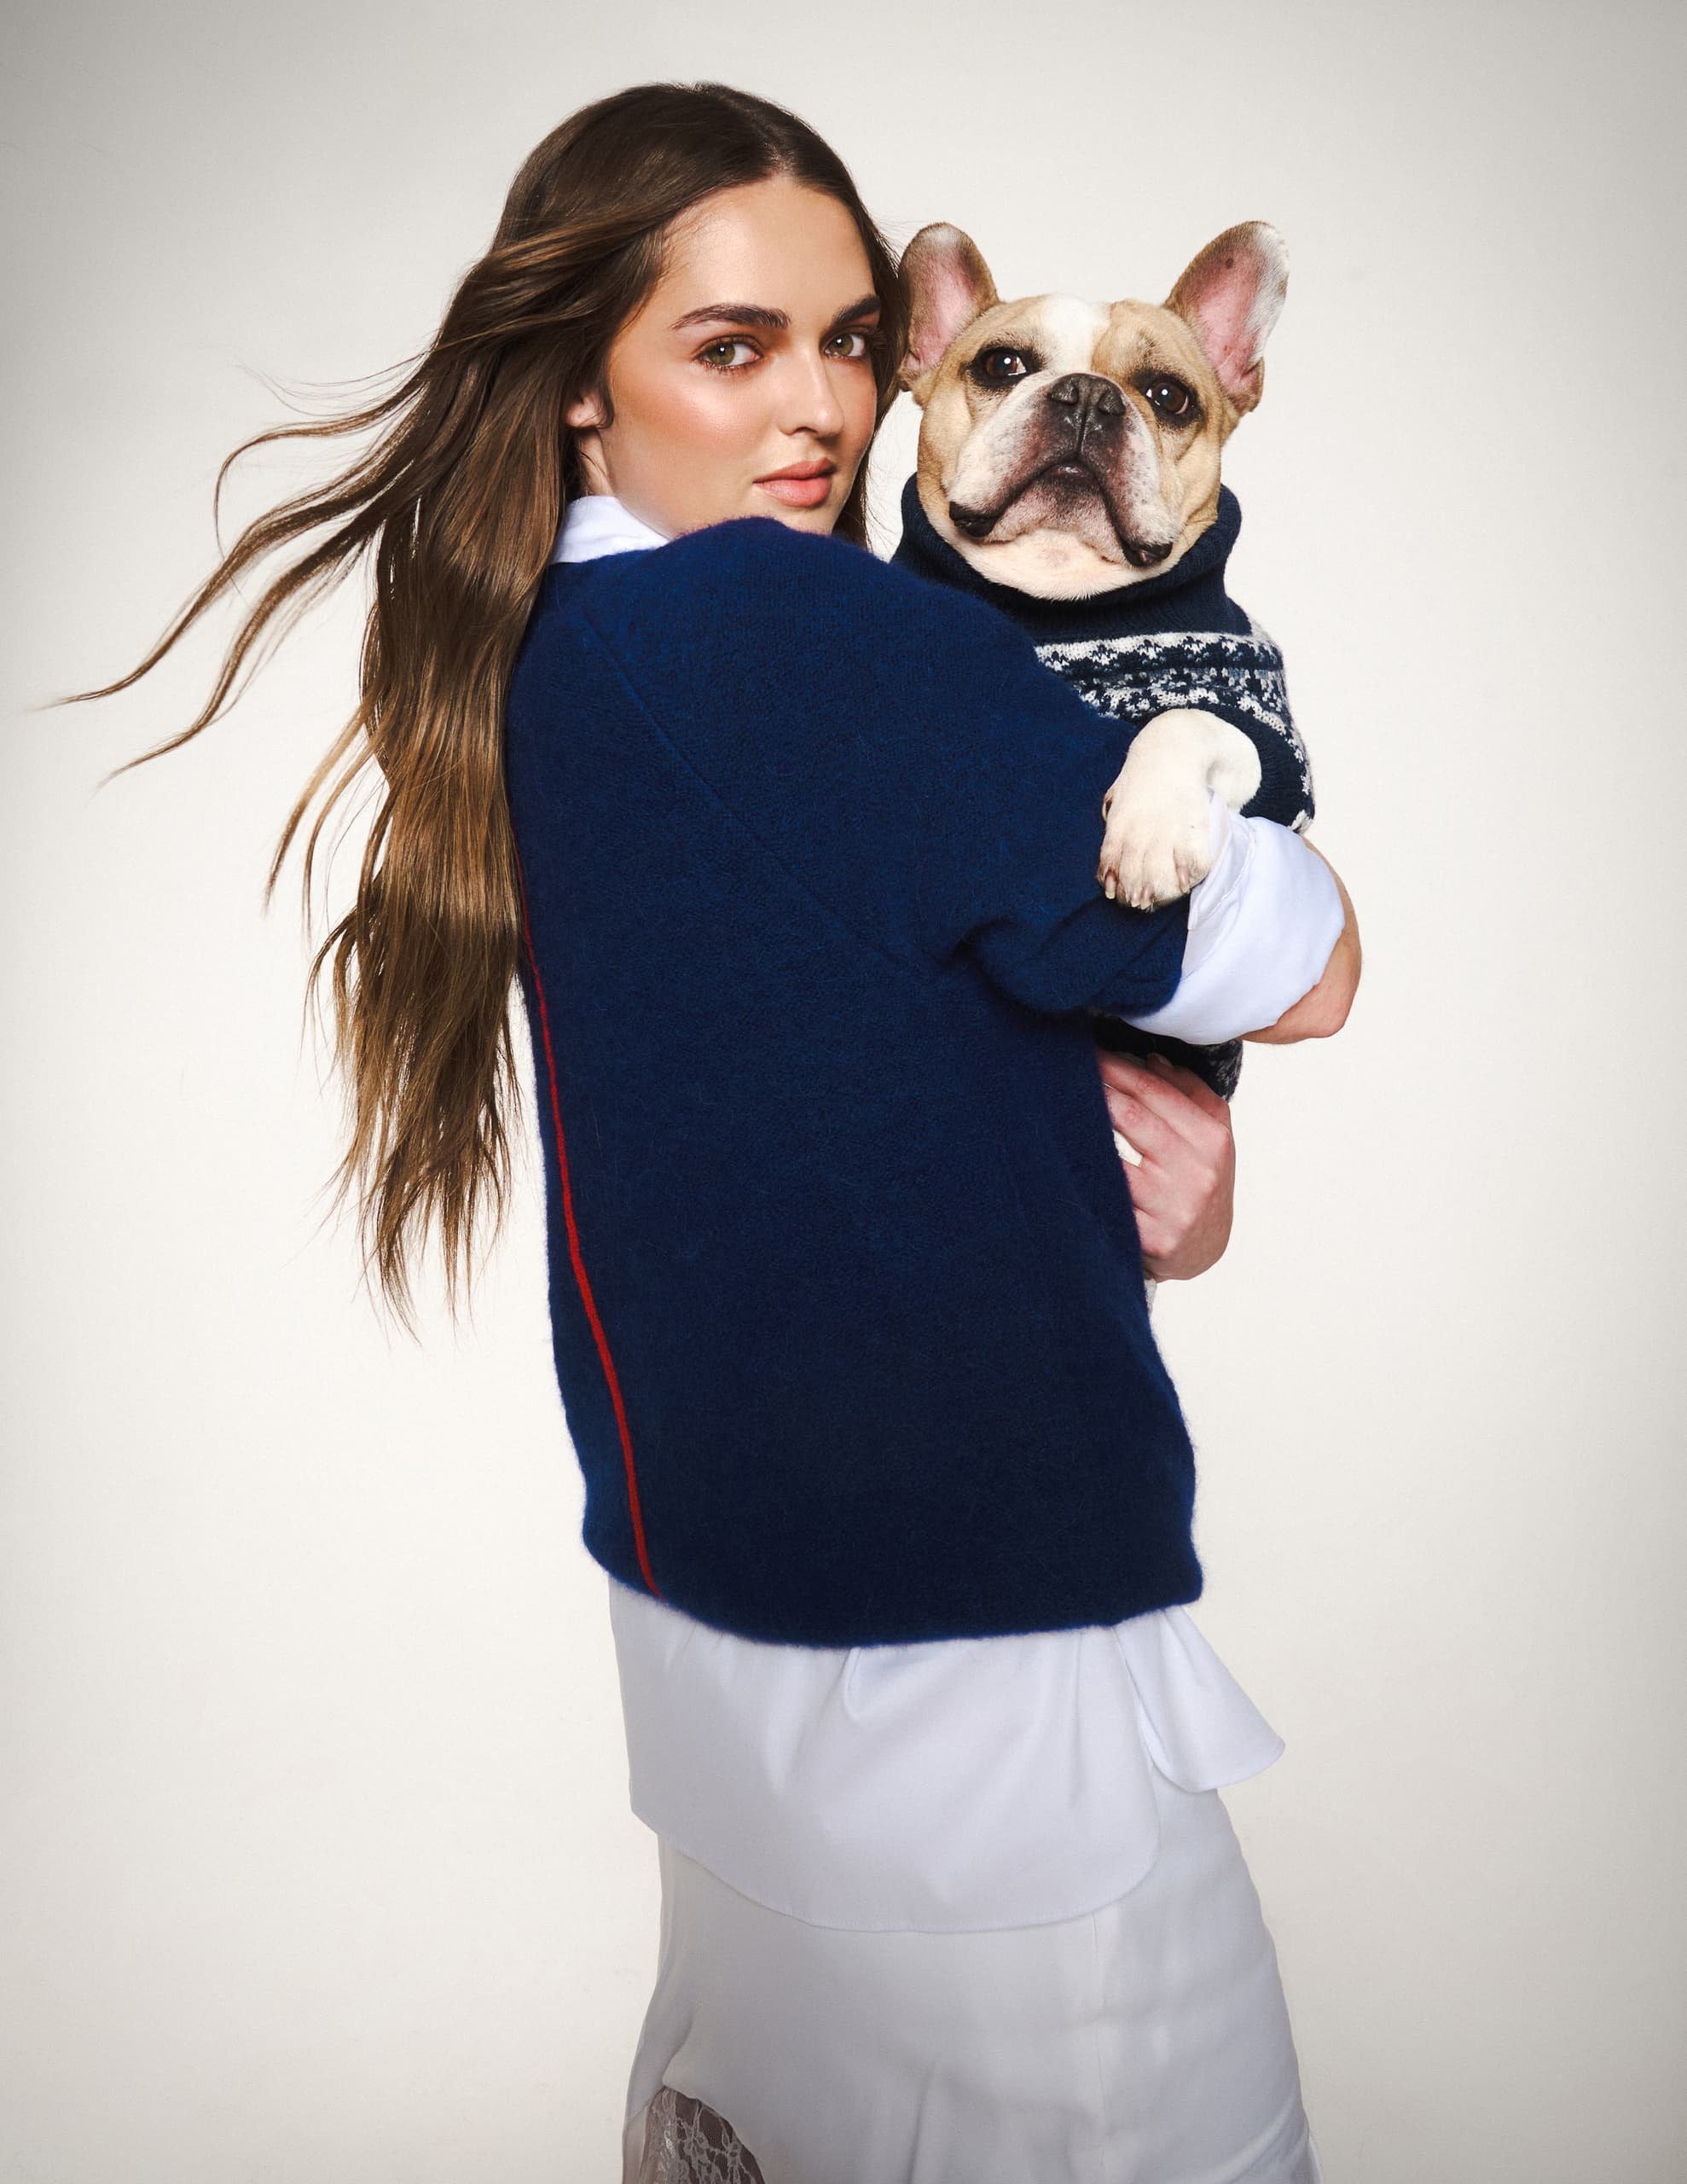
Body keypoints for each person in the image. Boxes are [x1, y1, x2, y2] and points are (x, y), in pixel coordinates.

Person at [66, 79, 1359, 2184]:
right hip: (981, 1683)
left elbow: (883, 1048)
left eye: (851, 343)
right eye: (731, 345)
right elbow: (1288, 963)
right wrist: (1277, 927)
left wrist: (1113, 1163)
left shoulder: (550, 655)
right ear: (583, 385)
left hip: (721, 1652)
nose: (821, 412)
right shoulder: (797, 630)